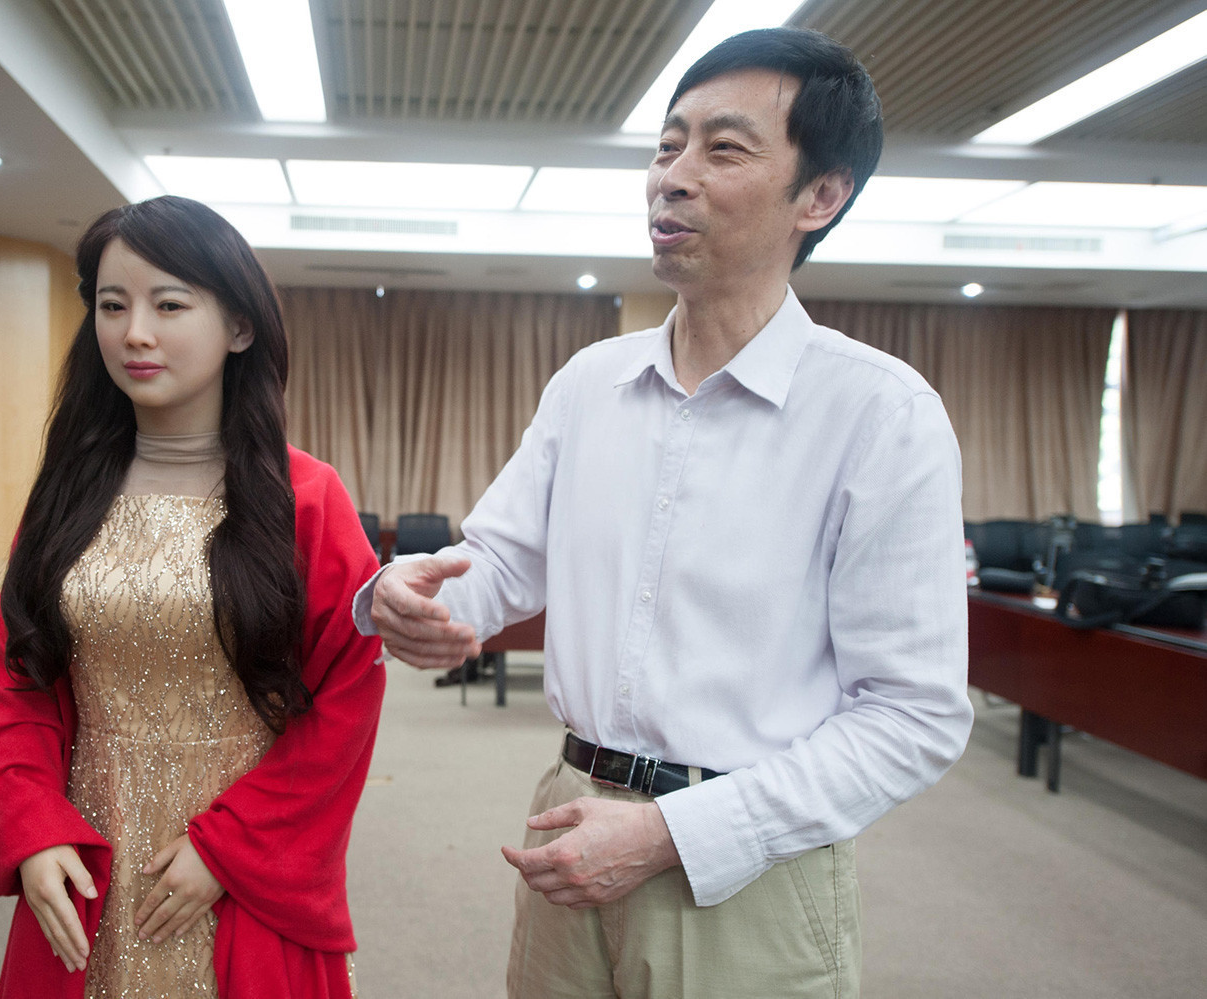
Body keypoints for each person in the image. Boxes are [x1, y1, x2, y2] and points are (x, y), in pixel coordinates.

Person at [356, 27, 972, 999]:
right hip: (570, 819)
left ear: (820, 195)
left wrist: (671, 834)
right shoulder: (589, 383)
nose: (671, 177)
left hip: (748, 860)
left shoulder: (881, 414)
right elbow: (500, 561)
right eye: (667, 144)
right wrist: (409, 595)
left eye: (722, 149)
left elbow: (913, 715)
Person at [0, 195, 384, 999]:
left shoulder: (306, 499)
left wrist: (230, 850)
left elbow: (348, 694)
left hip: (242, 873)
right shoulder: (65, 497)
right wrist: (32, 826)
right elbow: (18, 683)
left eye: (169, 304)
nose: (134, 333)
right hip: (89, 861)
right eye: (112, 305)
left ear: (239, 326)